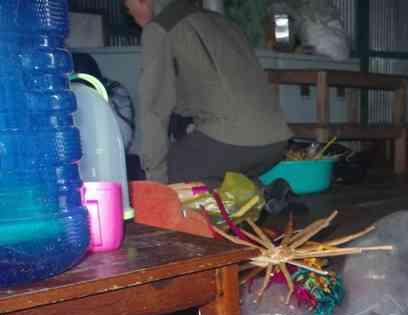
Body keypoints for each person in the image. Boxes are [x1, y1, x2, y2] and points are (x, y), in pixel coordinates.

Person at [124, 0, 291, 184]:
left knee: (165, 172)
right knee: (216, 167)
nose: (129, 14)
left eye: (128, 7)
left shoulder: (160, 27)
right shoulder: (222, 22)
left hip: (232, 142)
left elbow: (153, 109)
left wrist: (154, 177)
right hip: (277, 141)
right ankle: (263, 196)